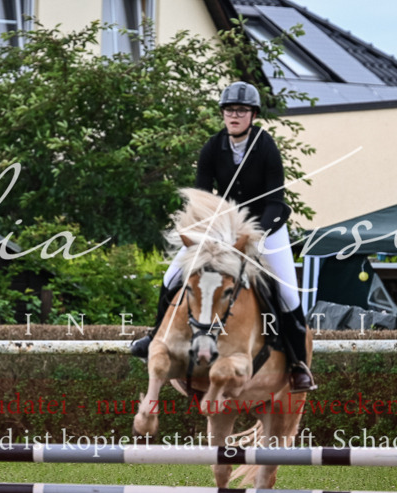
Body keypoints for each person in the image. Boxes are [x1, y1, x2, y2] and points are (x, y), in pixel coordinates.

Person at [130, 81, 316, 392]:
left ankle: (298, 365)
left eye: (241, 111)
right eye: (230, 110)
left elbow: (275, 199)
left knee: (287, 292)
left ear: (253, 115)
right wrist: (206, 229)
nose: (234, 115)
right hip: (222, 229)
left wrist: (254, 234)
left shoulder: (266, 146)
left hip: (266, 227)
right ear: (223, 114)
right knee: (172, 276)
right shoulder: (212, 147)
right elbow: (203, 196)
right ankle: (155, 336)